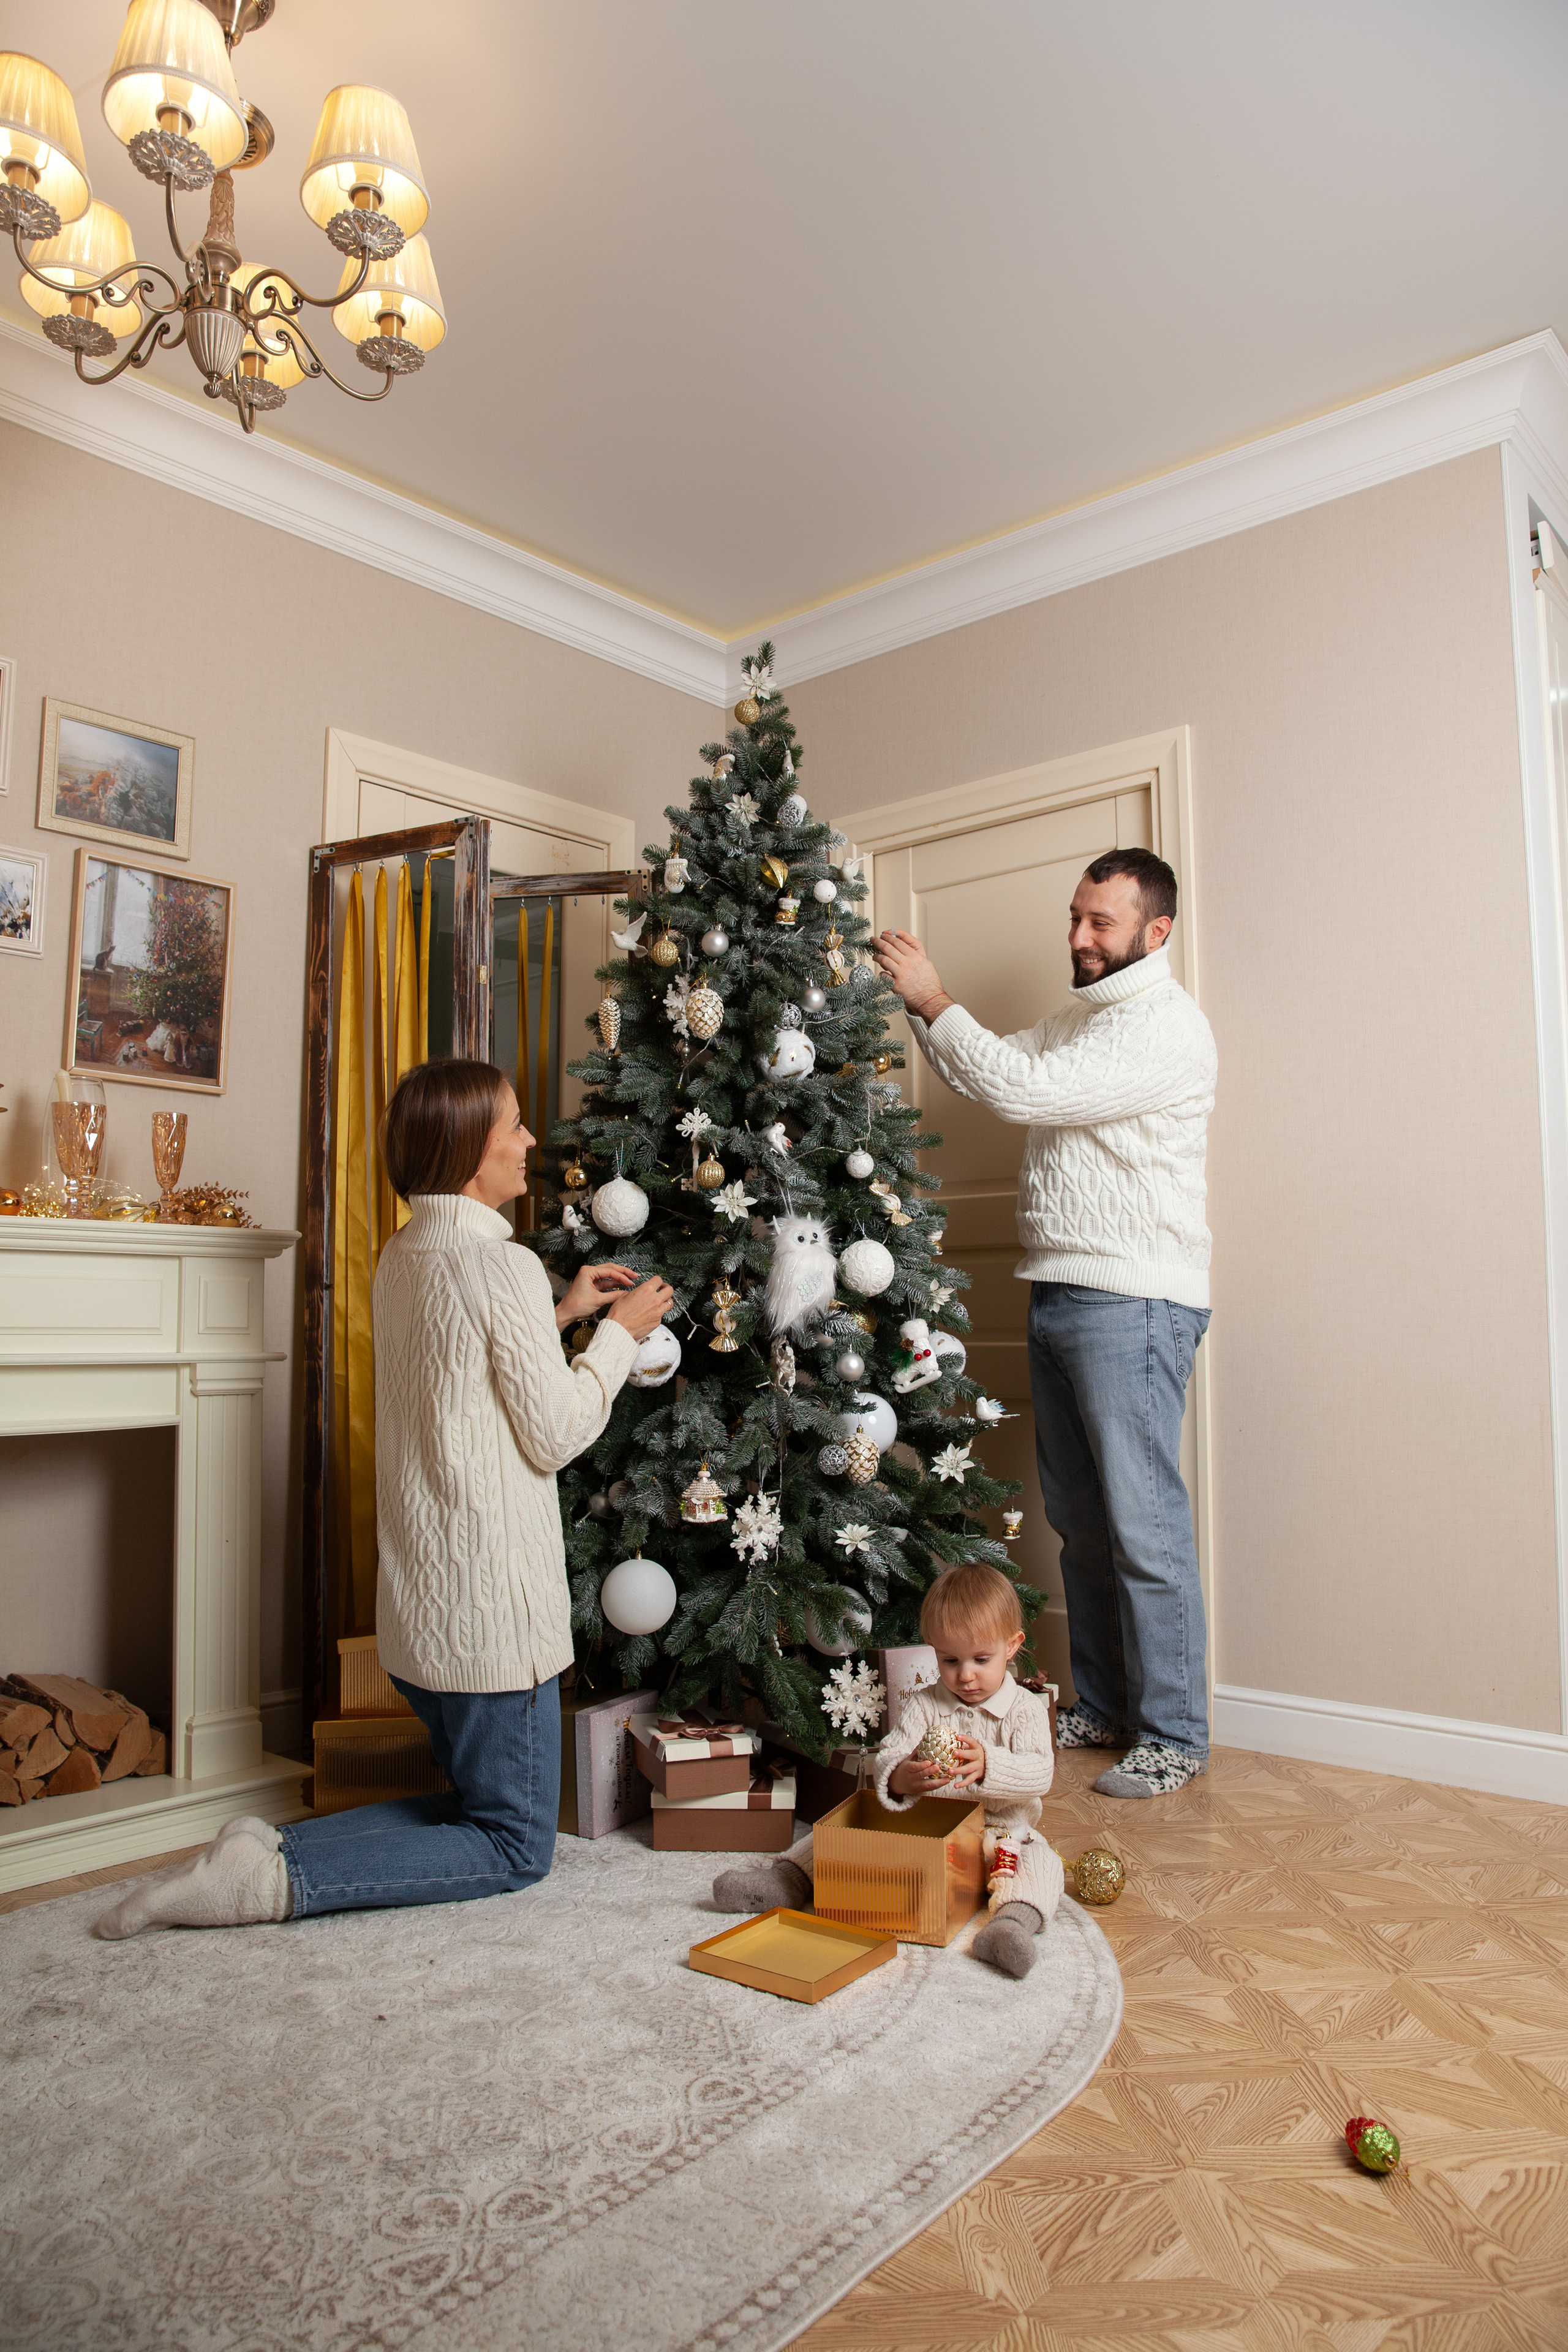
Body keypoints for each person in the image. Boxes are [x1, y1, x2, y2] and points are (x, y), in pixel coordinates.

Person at [96, 1058, 673, 1939]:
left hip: (421, 1622)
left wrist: (556, 1314)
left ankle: (265, 1850)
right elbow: (554, 1432)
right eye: (513, 1127)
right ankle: (266, 1882)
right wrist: (616, 1341)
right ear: (467, 1151)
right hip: (492, 1632)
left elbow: (461, 1370)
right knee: (515, 1844)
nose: (530, 1142)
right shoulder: (501, 1264)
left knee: (469, 1803)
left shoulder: (403, 1256)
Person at [873, 848, 1217, 1800]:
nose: (1078, 937)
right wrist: (919, 1004)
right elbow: (1003, 1069)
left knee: (1143, 1529)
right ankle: (1106, 1705)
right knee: (1081, 1523)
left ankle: (1175, 1735)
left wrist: (938, 998)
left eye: (1100, 923)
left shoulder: (1165, 1030)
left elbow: (1025, 1094)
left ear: (1156, 932)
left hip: (1133, 1301)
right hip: (1062, 1289)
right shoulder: (1083, 1021)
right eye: (1075, 916)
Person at [711, 1564, 1061, 1976]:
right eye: (949, 1660)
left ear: (1012, 1646)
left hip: (998, 1832)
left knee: (1040, 1863)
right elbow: (889, 1755)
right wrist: (900, 1777)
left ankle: (1009, 1926)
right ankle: (785, 1880)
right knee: (840, 1833)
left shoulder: (1022, 1710)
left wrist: (990, 1765)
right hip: (923, 1828)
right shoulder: (926, 1704)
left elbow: (1040, 1773)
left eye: (981, 1660)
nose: (965, 1676)